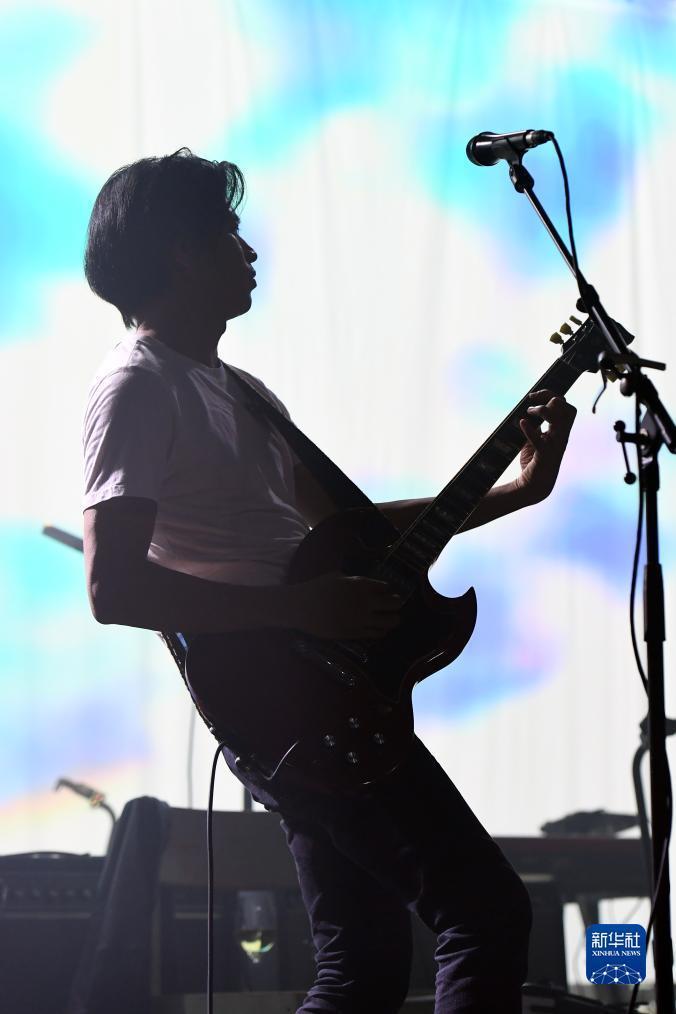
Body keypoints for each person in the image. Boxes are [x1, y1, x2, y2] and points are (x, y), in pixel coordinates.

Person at [82, 148, 577, 1013]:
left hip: (326, 691)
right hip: (285, 693)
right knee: (483, 911)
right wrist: (301, 608)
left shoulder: (242, 393)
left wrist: (516, 490)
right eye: (229, 231)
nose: (250, 249)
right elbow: (112, 589)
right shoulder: (137, 387)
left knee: (362, 967)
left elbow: (349, 525)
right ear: (182, 252)